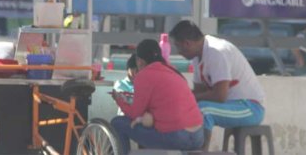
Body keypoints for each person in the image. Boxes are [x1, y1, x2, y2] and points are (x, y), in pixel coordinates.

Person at [169, 20, 265, 151]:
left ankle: (199, 153)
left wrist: (188, 98)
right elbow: (199, 93)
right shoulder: (198, 56)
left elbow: (219, 96)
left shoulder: (216, 52)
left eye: (178, 46)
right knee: (190, 108)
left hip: (250, 108)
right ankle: (188, 151)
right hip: (233, 106)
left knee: (203, 110)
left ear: (187, 43)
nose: (178, 52)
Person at [110, 39, 204, 154]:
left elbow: (135, 114)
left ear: (139, 61)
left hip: (177, 137)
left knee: (118, 123)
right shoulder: (173, 70)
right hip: (198, 135)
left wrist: (119, 100)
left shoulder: (143, 75)